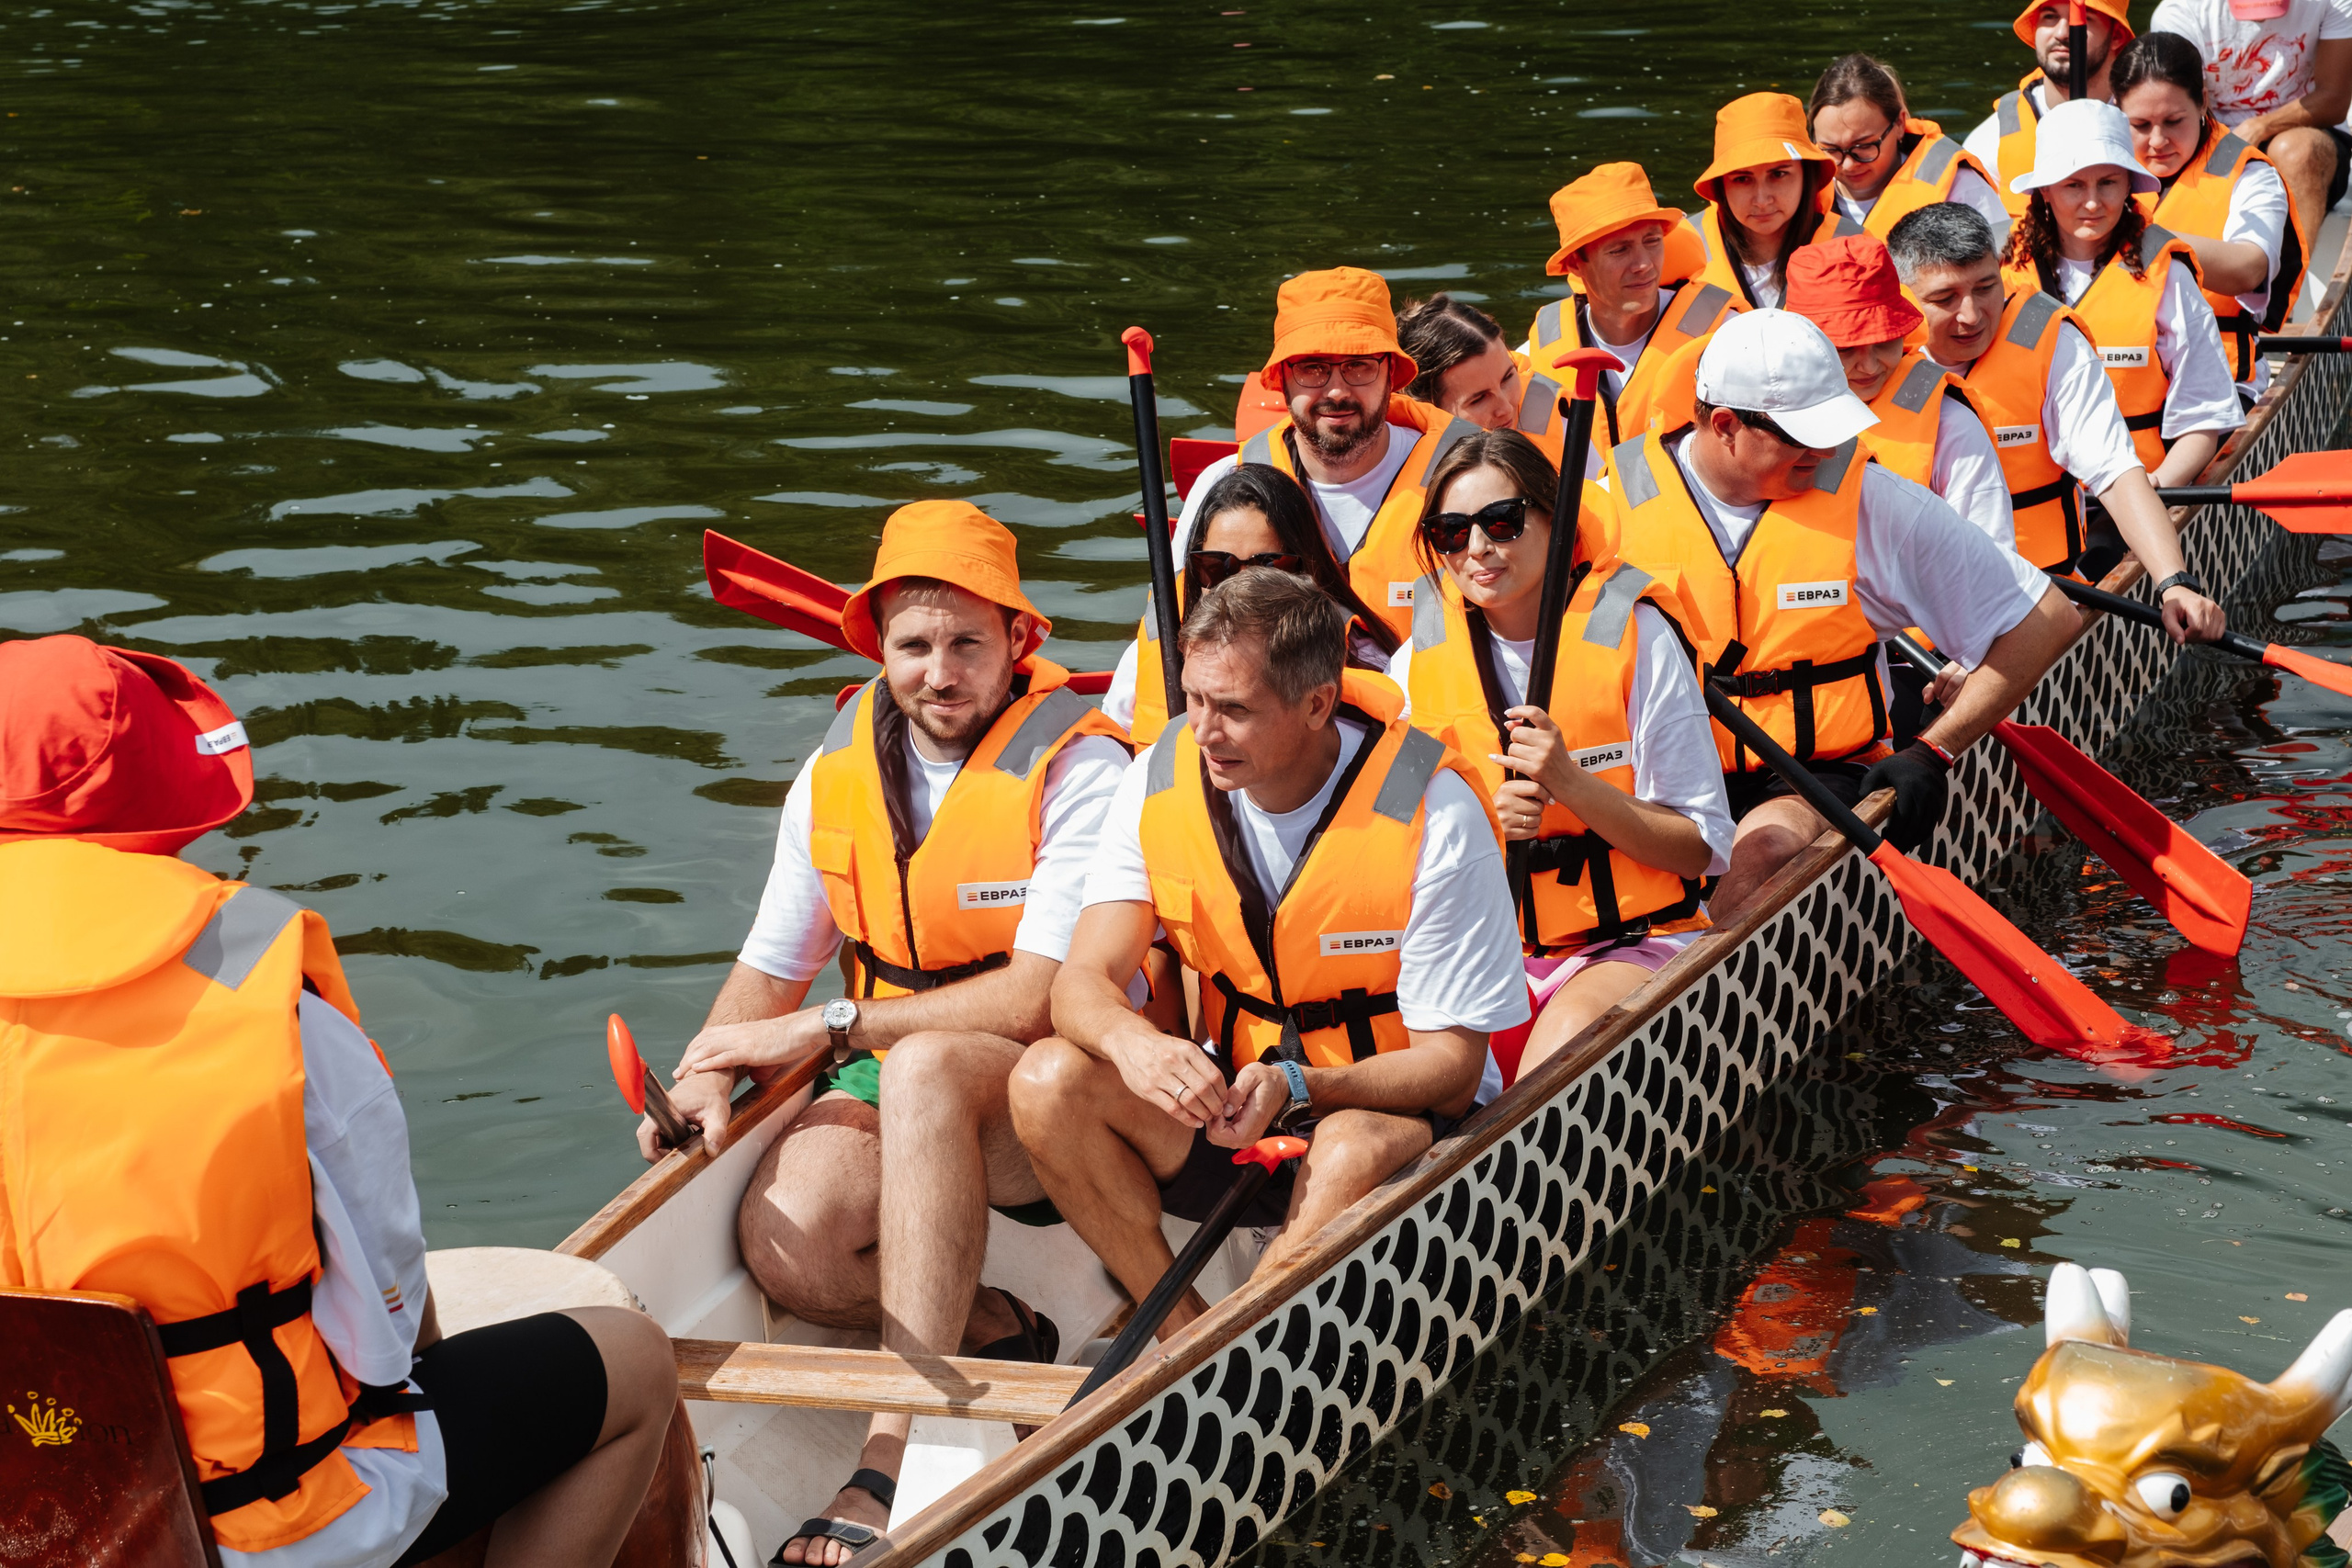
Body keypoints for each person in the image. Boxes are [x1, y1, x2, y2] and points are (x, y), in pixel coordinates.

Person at [0, 635, 678, 1568]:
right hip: (249, 1525)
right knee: (634, 1362)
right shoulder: (254, 976)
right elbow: (387, 1320)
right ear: (165, 788)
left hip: (29, 1520)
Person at [657, 501, 1132, 1564]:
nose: (941, 672)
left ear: (1021, 641)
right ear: (880, 648)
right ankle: (996, 1327)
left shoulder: (1081, 767)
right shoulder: (836, 770)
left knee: (918, 1066)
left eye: (969, 642)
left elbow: (1034, 997)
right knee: (793, 1246)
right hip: (892, 1056)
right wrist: (704, 1071)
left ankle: (888, 1453)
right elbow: (772, 962)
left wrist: (830, 1030)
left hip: (1059, 1088)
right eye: (914, 646)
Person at [1009, 570, 1528, 1338]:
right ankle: (1181, 1336)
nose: (1203, 731)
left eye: (1235, 710)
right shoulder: (1159, 774)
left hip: (1393, 1112)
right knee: (1045, 1078)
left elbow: (1451, 1072)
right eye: (1193, 698)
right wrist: (1134, 1043)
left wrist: (1300, 1083)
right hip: (1234, 1108)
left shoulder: (1435, 812)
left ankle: (1253, 1345)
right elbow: (1079, 984)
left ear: (1318, 703)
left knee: (1346, 1146)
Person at [1595, 310, 2081, 919]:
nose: (1826, 449)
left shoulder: (1870, 501)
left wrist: (1936, 748)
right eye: (1803, 433)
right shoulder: (1613, 504)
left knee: (1761, 849)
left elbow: (2048, 619)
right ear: (1724, 424)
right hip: (1660, 781)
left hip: (1811, 776)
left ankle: (1695, 973)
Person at [1391, 430, 1732, 1082]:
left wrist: (1569, 783)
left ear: (1556, 521)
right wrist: (1485, 828)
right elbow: (1393, 832)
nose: (1479, 550)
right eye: (1452, 532)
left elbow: (1702, 846)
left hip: (1630, 942)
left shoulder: (1636, 634)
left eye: (1502, 522)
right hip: (1486, 956)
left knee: (1548, 1068)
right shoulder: (1416, 666)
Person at [1886, 200, 2229, 637]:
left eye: (1986, 287)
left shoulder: (2050, 340)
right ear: (1900, 297)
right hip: (1902, 625)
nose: (1971, 316)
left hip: (2038, 601)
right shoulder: (1871, 355)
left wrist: (2174, 583)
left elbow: (2115, 473)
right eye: (1944, 299)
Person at [1178, 266, 1472, 647]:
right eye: (1312, 368)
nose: (1336, 391)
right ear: (1281, 379)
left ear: (1391, 373)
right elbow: (1169, 633)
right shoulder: (1222, 483)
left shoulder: (1468, 477)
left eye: (1358, 366)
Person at [2001, 98, 2247, 488]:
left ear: (2130, 185)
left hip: (2133, 495)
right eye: (2073, 185)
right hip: (2026, 504)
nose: (2094, 202)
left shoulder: (2169, 275)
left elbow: (2205, 421)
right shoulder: (2001, 272)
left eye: (2108, 182)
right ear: (2045, 191)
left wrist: (2156, 488)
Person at [1106, 462, 1401, 744]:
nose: (1240, 590)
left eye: (1268, 566)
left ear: (1305, 572)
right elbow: (1118, 739)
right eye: (1218, 565)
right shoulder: (1159, 639)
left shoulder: (1365, 662)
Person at [1784, 233, 2016, 549]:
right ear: (1801, 344)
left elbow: (1992, 558)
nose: (1868, 366)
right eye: (1845, 348)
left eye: (1884, 341)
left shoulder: (1952, 426)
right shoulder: (1754, 421)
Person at [1524, 162, 1746, 477]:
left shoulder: (1726, 334)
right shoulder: (1537, 349)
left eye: (1653, 241)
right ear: (1575, 264)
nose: (1643, 264)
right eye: (1619, 250)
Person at [2116, 28, 2304, 394]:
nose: (2157, 142)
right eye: (2139, 125)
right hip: (2120, 380)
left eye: (2173, 121)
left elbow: (2249, 270)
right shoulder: (2099, 173)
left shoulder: (2252, 175)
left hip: (2220, 381)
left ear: (2202, 102)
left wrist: (2132, 239)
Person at [2147, 0, 2352, 265]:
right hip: (2210, 136)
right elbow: (2181, 110)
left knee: (2295, 152)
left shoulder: (2334, 3)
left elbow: (2334, 101)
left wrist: (2259, 126)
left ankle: (2290, 290)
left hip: (2306, 135)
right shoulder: (2178, 13)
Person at [1809, 52, 2011, 241]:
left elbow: (2004, 264)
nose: (1849, 164)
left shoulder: (1960, 188)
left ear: (1899, 124)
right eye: (1831, 149)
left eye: (1864, 146)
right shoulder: (1798, 190)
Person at [1688, 92, 1862, 310]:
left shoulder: (1856, 249)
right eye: (1742, 179)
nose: (1762, 200)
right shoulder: (1680, 250)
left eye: (1778, 174)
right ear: (1721, 185)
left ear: (1806, 175)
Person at [1965, 0, 2139, 209]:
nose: (2063, 32)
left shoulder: (2155, 133)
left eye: (2085, 18)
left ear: (2117, 36)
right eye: (2050, 17)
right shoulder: (1987, 144)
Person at [1398, 292, 1525, 431]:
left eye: (1507, 378)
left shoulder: (1550, 395)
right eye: (1479, 399)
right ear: (1426, 407)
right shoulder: (1411, 449)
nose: (1506, 409)